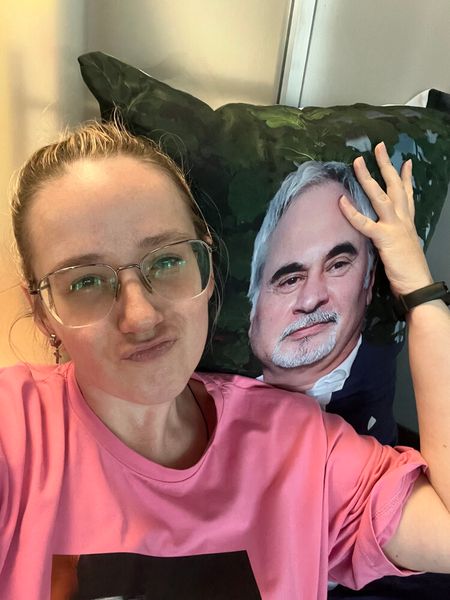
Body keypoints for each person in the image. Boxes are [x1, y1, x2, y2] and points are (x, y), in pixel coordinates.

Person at [1, 120, 449, 599]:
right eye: (85, 281)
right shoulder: (15, 432)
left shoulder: (299, 448)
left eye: (167, 261)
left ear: (208, 269)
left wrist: (421, 294)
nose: (140, 316)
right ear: (43, 314)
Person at [248, 162, 398, 443]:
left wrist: (421, 292)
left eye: (337, 265)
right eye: (290, 280)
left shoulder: (368, 422)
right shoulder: (210, 406)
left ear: (368, 280)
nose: (310, 299)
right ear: (254, 306)